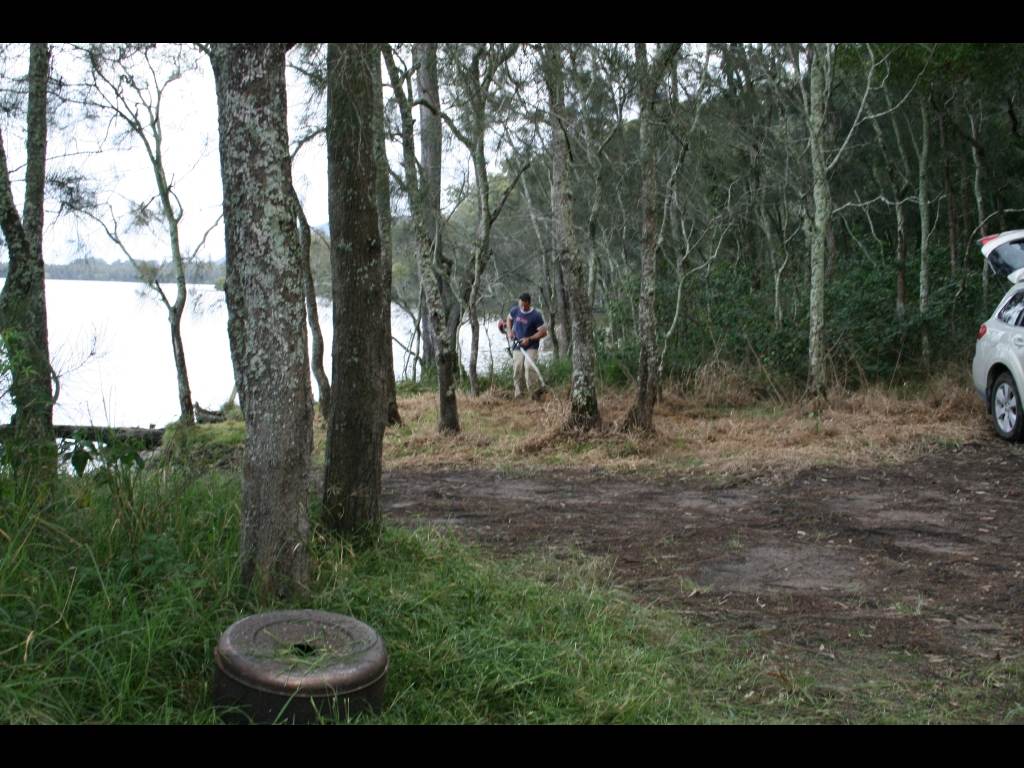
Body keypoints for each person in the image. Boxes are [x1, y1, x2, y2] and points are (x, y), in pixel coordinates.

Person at [506, 292, 547, 399]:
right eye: (520, 305)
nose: (522, 308)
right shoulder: (515, 310)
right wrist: (510, 331)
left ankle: (534, 393)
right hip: (518, 344)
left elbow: (543, 332)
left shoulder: (536, 315)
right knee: (517, 367)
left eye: (524, 305)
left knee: (529, 367)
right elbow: (509, 318)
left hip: (531, 346)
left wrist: (529, 339)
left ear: (528, 303)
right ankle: (518, 393)